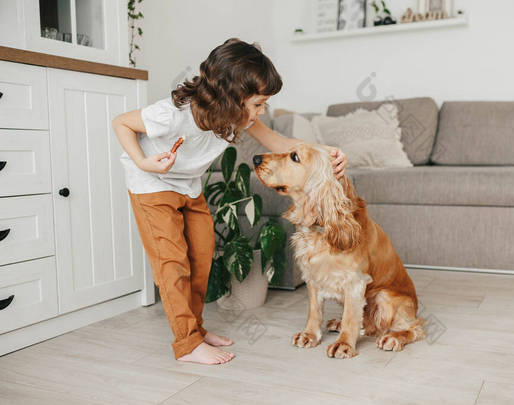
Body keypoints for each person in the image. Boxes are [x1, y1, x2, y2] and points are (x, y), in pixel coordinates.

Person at [112, 38, 346, 365]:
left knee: (202, 254)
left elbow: (278, 141)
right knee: (172, 263)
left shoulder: (238, 118)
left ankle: (195, 329)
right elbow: (121, 122)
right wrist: (143, 162)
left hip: (188, 186)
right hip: (151, 184)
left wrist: (325, 152)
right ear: (231, 96)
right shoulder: (172, 114)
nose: (261, 111)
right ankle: (187, 344)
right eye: (258, 103)